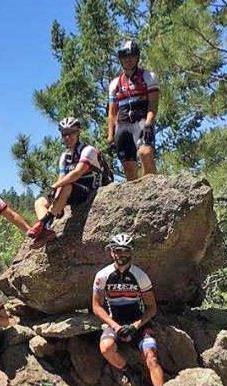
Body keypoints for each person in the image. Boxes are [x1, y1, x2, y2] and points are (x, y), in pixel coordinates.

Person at [92, 233, 165, 386]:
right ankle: (130, 373)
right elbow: (96, 306)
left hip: (138, 322)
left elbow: (152, 308)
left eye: (125, 251)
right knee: (106, 348)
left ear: (131, 252)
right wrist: (116, 327)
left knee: (151, 357)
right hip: (115, 321)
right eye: (117, 251)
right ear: (111, 252)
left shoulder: (140, 276)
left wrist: (135, 326)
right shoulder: (102, 276)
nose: (121, 255)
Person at [27, 117, 106, 247]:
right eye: (64, 134)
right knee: (40, 202)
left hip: (91, 191)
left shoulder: (88, 150)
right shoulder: (65, 156)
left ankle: (42, 223)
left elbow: (76, 173)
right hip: (71, 192)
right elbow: (61, 178)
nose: (68, 137)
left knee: (67, 185)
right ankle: (46, 231)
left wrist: (55, 186)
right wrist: (56, 200)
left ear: (78, 132)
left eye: (72, 133)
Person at [106, 40, 159, 181]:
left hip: (141, 121)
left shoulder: (148, 77)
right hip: (122, 125)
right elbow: (111, 113)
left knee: (145, 153)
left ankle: (152, 188)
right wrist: (110, 137)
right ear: (120, 59)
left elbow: (153, 105)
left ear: (137, 57)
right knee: (129, 166)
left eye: (131, 56)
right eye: (124, 57)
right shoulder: (114, 84)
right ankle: (136, 200)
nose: (128, 60)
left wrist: (149, 124)